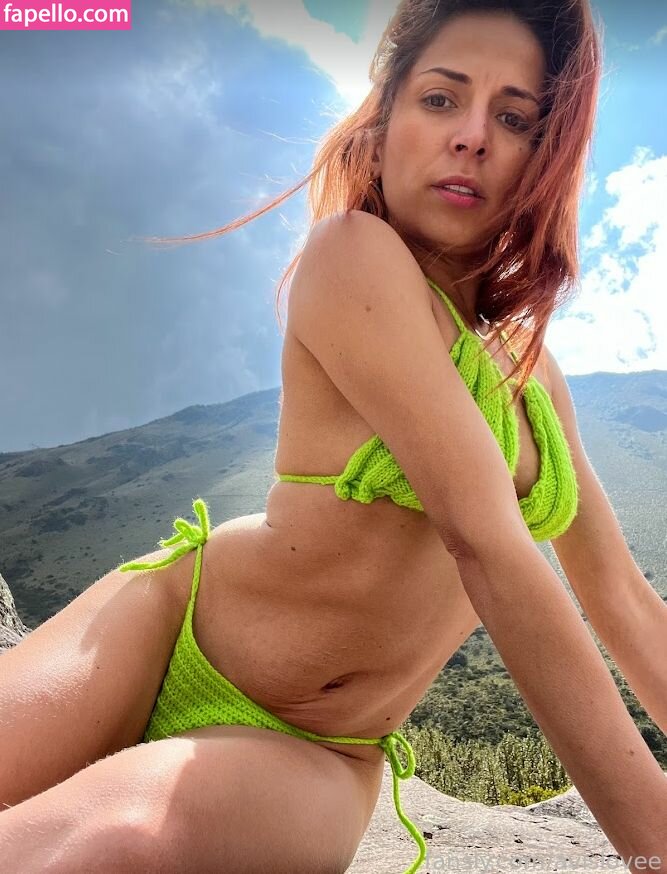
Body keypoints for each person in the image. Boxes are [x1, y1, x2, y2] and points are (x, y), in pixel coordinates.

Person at [1, 1, 666, 872]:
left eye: (513, 119)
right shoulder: (351, 252)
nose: (471, 136)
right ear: (382, 125)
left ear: (543, 161)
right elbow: (485, 543)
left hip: (322, 747)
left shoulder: (532, 373)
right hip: (161, 627)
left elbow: (621, 601)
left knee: (116, 837)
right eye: (440, 99)